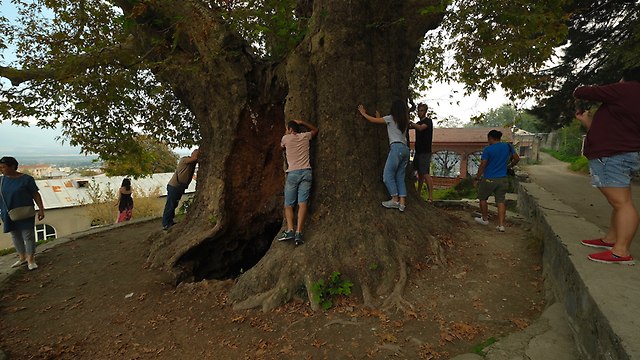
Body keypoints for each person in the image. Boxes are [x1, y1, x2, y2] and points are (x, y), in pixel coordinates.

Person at [574, 67, 640, 265]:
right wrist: (587, 121)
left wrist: (578, 91)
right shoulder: (629, 101)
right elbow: (610, 130)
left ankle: (620, 252)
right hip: (621, 153)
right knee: (620, 202)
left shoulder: (627, 89)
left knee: (622, 204)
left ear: (625, 79)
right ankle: (611, 240)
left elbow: (582, 91)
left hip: (612, 157)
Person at [358, 100, 411, 212]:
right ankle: (402, 203)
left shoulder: (391, 118)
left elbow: (373, 120)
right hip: (405, 150)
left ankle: (394, 199)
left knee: (387, 175)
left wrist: (363, 113)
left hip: (396, 149)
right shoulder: (404, 121)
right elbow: (382, 122)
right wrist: (379, 117)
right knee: (400, 176)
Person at [277, 119, 319, 246]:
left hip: (293, 174)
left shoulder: (286, 138)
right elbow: (315, 130)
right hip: (306, 172)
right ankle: (299, 232)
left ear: (289, 129)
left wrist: (288, 132)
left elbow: (281, 146)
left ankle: (290, 230)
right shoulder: (305, 136)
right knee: (302, 203)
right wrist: (303, 123)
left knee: (289, 205)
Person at [0, 156, 45, 270]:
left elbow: (35, 194)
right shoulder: (1, 181)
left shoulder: (27, 179)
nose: (1, 169)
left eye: (3, 167)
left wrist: (41, 209)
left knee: (28, 235)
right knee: (15, 235)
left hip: (25, 211)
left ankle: (31, 260)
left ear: (13, 166)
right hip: (8, 212)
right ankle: (22, 257)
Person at [474, 130, 519, 232]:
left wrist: (477, 178)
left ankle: (484, 219)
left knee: (482, 198)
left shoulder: (488, 149)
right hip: (503, 179)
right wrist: (510, 166)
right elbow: (517, 158)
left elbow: (483, 165)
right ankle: (501, 225)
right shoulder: (508, 146)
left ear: (490, 138)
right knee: (501, 201)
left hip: (489, 179)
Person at [162, 148, 199, 230]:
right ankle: (165, 223)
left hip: (179, 187)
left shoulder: (192, 163)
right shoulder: (184, 159)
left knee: (174, 204)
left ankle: (170, 221)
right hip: (174, 186)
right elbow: (194, 159)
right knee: (170, 205)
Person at [410, 103, 434, 202]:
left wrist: (410, 123)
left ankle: (431, 197)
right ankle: (418, 193)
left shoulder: (428, 122)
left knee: (425, 173)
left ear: (425, 111)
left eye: (422, 110)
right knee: (419, 173)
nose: (420, 112)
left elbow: (420, 128)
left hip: (425, 152)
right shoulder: (418, 123)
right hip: (418, 152)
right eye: (418, 111)